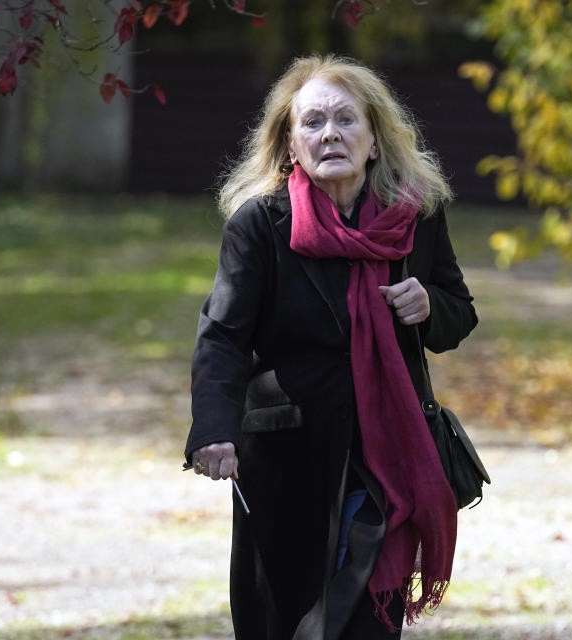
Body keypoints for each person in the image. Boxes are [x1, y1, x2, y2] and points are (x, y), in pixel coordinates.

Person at [185, 54, 477, 640]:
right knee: (286, 617)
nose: (330, 134)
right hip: (289, 460)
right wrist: (215, 428)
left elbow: (457, 312)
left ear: (374, 141)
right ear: (293, 145)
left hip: (387, 451)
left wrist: (428, 307)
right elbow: (223, 334)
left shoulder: (415, 218)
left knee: (363, 613)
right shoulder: (259, 225)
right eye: (312, 122)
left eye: (346, 120)